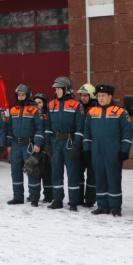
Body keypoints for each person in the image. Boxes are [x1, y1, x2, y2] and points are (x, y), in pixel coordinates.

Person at [83, 84, 133, 217]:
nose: (100, 98)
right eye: (98, 96)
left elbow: (127, 133)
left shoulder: (120, 112)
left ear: (110, 96)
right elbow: (87, 132)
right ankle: (102, 206)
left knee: (113, 178)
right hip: (96, 151)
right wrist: (87, 148)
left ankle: (115, 207)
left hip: (113, 151)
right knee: (99, 178)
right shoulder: (92, 112)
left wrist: (124, 150)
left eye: (103, 96)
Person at [46, 76, 85, 211]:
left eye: (59, 89)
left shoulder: (76, 105)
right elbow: (48, 125)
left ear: (67, 89)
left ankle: (73, 202)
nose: (56, 91)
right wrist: (47, 142)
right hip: (56, 142)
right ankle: (57, 200)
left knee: (73, 173)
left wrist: (77, 144)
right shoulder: (51, 104)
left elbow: (80, 128)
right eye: (56, 89)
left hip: (70, 142)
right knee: (56, 172)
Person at [5, 84, 45, 206]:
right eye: (18, 95)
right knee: (15, 172)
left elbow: (40, 128)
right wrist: (8, 144)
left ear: (28, 95)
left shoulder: (35, 110)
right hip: (15, 145)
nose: (20, 97)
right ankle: (17, 197)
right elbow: (9, 129)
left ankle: (34, 198)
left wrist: (37, 144)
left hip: (29, 145)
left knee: (32, 171)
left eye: (22, 95)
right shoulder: (13, 110)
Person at [76, 83, 98, 208]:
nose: (83, 98)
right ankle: (78, 198)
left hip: (92, 147)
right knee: (78, 173)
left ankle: (90, 200)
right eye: (82, 95)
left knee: (92, 175)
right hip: (79, 146)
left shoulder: (95, 109)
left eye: (86, 95)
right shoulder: (78, 108)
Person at [32, 93, 53, 203]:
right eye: (35, 102)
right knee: (34, 170)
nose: (37, 104)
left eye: (39, 102)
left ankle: (48, 195)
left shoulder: (48, 114)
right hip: (35, 146)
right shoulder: (33, 114)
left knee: (47, 172)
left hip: (47, 146)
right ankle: (34, 194)